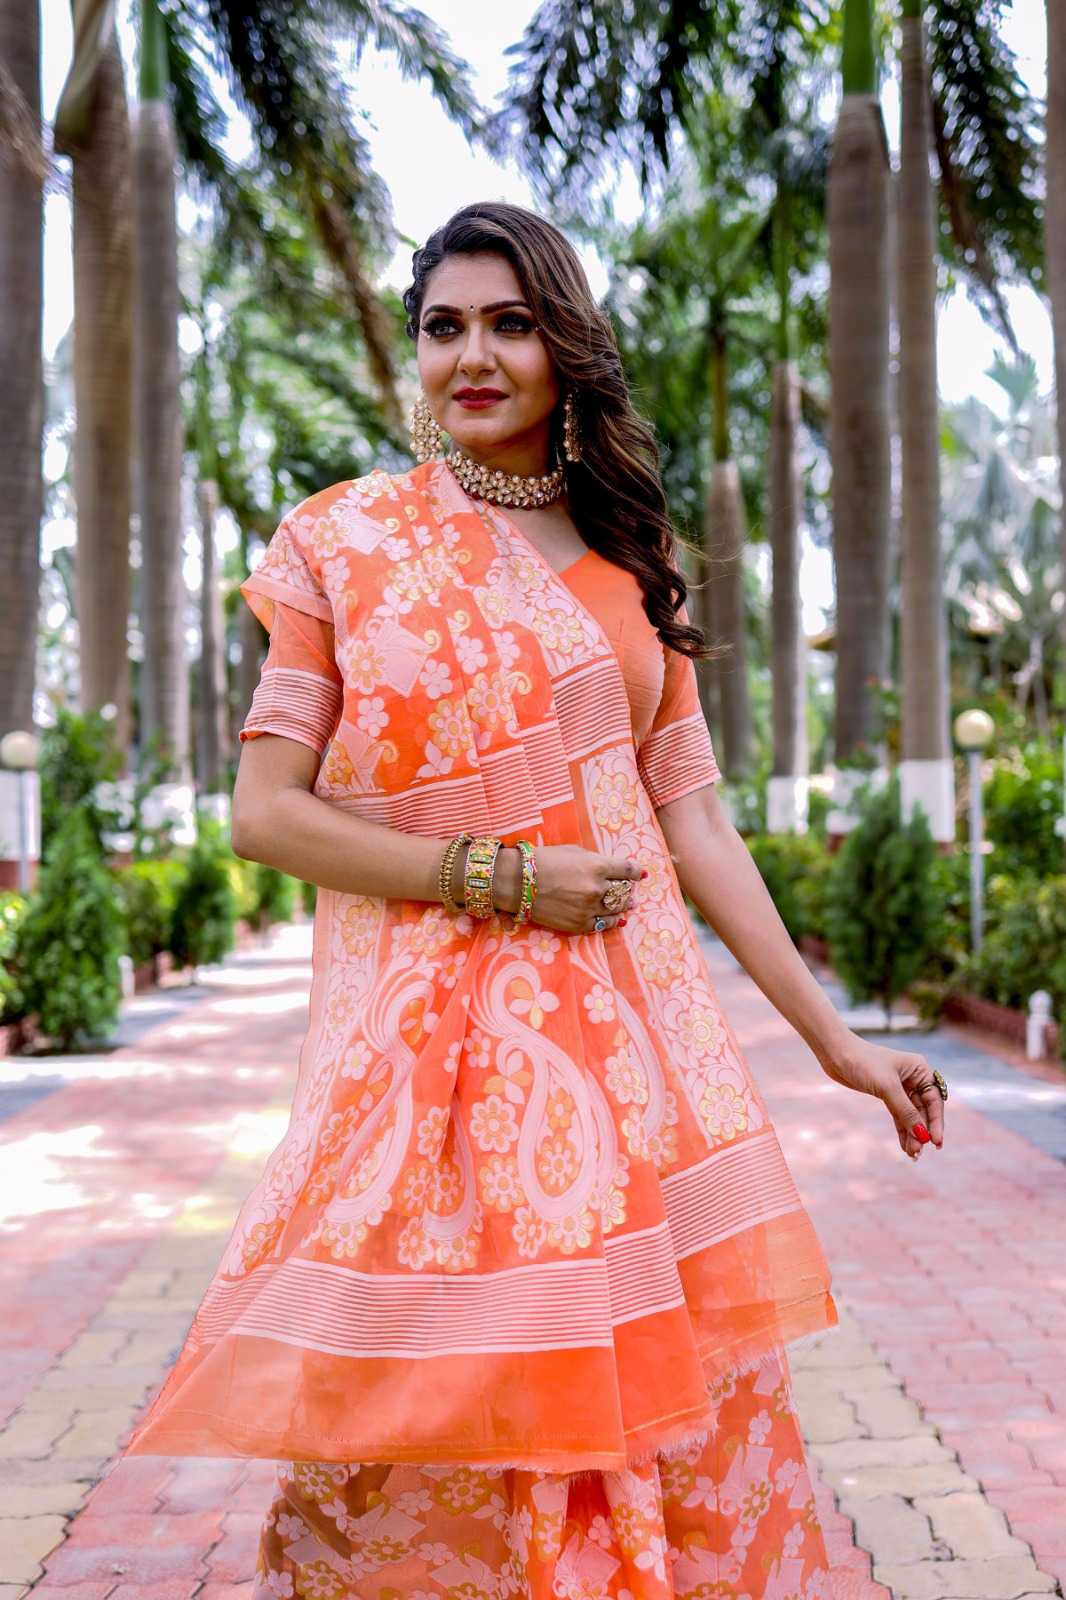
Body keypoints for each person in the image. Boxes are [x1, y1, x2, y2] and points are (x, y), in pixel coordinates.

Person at [123, 201, 948, 1599]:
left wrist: (836, 1043)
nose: (474, 357)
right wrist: (502, 878)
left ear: (565, 344)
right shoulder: (346, 544)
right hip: (439, 1077)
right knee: (433, 1409)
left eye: (510, 323)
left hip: (633, 1066)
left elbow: (695, 820)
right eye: (443, 327)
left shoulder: (628, 554)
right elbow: (266, 814)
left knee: (666, 1407)